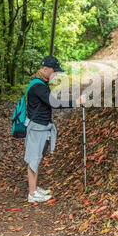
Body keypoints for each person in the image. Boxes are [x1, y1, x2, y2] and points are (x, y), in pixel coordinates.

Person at [24, 55, 86, 203]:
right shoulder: (37, 85)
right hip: (36, 128)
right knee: (33, 159)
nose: (56, 74)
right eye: (54, 71)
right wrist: (75, 102)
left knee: (37, 158)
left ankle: (34, 189)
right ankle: (32, 194)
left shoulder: (40, 83)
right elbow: (54, 102)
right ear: (45, 69)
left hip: (41, 127)